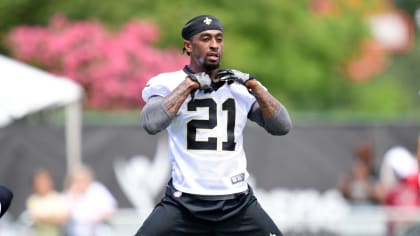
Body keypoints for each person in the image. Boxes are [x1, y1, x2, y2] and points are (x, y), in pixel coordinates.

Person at [136, 15, 292, 236]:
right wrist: (189, 85)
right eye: (206, 38)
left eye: (219, 39)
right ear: (189, 46)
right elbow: (151, 123)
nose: (214, 45)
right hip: (184, 203)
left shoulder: (238, 86)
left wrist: (255, 86)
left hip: (237, 203)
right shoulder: (169, 83)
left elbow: (282, 126)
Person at [63, 165, 117, 236]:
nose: (81, 183)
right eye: (78, 180)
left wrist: (96, 219)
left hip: (99, 230)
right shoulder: (69, 194)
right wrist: (74, 196)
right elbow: (64, 215)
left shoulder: (97, 189)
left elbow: (111, 210)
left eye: (83, 179)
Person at [26, 168, 68, 236]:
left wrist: (45, 217)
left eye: (44, 182)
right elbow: (36, 217)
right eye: (39, 182)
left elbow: (62, 218)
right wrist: (52, 216)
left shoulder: (57, 197)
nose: (42, 185)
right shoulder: (32, 199)